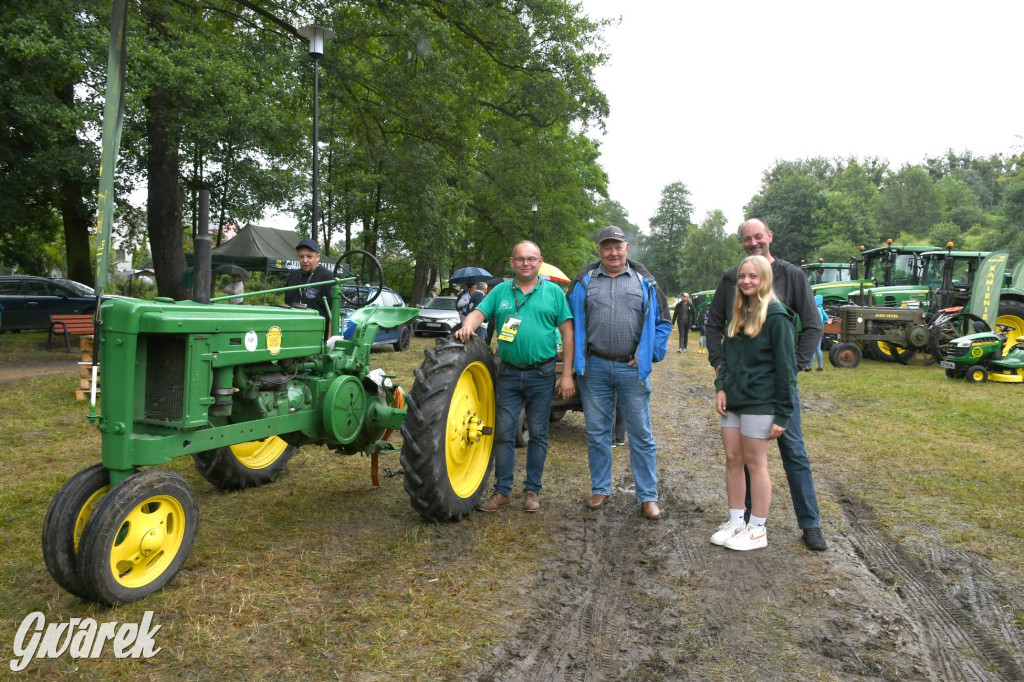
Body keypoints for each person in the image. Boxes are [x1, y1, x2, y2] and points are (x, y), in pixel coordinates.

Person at [706, 218, 827, 551]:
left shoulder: (792, 277)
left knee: (793, 453)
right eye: (747, 238)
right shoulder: (731, 279)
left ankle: (810, 523)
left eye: (758, 236)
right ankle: (741, 521)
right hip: (739, 387)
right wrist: (720, 369)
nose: (753, 242)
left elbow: (812, 327)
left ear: (769, 237)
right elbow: (715, 326)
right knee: (740, 455)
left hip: (776, 388)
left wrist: (793, 368)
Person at [456, 241, 575, 513]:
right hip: (507, 373)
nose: (526, 263)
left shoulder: (554, 293)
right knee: (504, 434)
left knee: (538, 434)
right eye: (520, 259)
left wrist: (566, 374)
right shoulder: (500, 291)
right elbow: (478, 313)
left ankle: (532, 490)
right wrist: (467, 326)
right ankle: (502, 492)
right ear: (512, 262)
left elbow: (568, 333)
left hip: (542, 374)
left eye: (531, 259)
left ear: (539, 261)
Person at [567, 226, 672, 520]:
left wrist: (649, 353)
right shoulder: (583, 283)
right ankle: (600, 489)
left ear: (626, 248)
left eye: (618, 247)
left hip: (632, 369)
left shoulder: (645, 282)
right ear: (598, 250)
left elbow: (663, 323)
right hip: (595, 367)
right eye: (606, 247)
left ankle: (648, 496)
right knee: (598, 432)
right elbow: (569, 322)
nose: (613, 253)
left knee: (641, 433)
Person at [711, 255, 796, 551]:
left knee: (755, 462)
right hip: (732, 399)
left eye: (753, 277)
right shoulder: (738, 314)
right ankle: (736, 521)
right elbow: (727, 359)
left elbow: (787, 369)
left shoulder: (776, 316)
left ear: (764, 280)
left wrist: (783, 413)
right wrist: (720, 387)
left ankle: (757, 529)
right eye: (743, 277)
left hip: (761, 402)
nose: (746, 281)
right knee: (733, 458)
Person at [284, 238, 335, 338]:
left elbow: (334, 313)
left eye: (309, 256)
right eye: (301, 256)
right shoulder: (293, 276)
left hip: (317, 339)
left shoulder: (327, 277)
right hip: (292, 336)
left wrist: (330, 342)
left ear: (318, 257)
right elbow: (286, 306)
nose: (305, 260)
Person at [808, 295, 828, 371]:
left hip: (814, 329)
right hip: (821, 329)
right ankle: (820, 367)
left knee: (812, 348)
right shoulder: (821, 308)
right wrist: (822, 323)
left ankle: (809, 367)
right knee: (818, 349)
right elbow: (826, 318)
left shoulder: (813, 308)